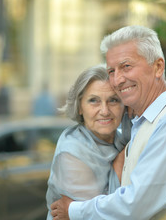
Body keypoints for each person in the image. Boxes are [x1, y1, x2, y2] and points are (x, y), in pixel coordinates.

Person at [50, 25, 166, 220]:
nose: (117, 80)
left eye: (126, 66)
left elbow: (137, 204)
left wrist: (74, 210)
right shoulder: (142, 123)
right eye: (111, 70)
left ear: (158, 67)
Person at [46, 64, 131, 220]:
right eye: (94, 101)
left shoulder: (122, 140)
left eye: (113, 100)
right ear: (80, 107)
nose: (104, 111)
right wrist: (119, 166)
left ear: (124, 106)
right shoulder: (72, 152)